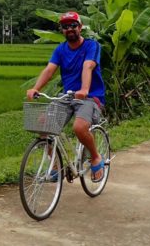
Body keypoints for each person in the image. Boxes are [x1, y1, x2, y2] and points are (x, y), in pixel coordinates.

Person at [26, 11, 106, 182]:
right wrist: (35, 88)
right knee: (42, 124)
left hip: (90, 96)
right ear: (61, 30)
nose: (69, 29)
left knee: (79, 128)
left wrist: (84, 89)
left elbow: (88, 66)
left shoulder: (92, 46)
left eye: (73, 25)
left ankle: (95, 157)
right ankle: (56, 166)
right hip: (68, 96)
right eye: (65, 26)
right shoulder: (61, 50)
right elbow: (49, 70)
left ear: (80, 27)